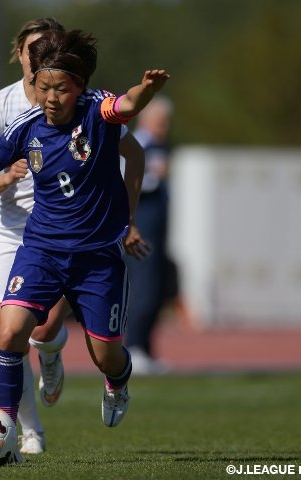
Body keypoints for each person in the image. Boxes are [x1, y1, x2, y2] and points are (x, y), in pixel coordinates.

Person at [0, 29, 169, 464]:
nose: (52, 97)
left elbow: (128, 104)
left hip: (97, 259)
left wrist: (146, 91)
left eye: (63, 88)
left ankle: (118, 382)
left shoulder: (99, 112)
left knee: (105, 354)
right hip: (41, 251)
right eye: (44, 87)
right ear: (33, 83)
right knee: (11, 332)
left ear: (80, 87)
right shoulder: (24, 127)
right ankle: (2, 430)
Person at [0, 18, 147, 455]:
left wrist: (127, 218)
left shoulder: (84, 102)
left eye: (47, 49)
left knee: (48, 330)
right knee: (9, 333)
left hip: (78, 236)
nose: (40, 58)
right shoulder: (1, 106)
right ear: (21, 55)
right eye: (34, 51)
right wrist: (7, 176)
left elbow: (131, 143)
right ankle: (19, 434)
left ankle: (54, 354)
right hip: (15, 231)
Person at [123, 96, 174, 374]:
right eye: (160, 121)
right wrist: (157, 174)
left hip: (156, 230)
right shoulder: (138, 144)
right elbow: (133, 182)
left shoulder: (158, 146)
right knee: (142, 288)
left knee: (156, 288)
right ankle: (134, 347)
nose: (164, 127)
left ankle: (146, 348)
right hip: (141, 229)